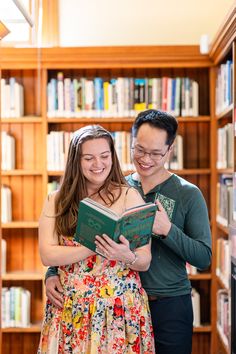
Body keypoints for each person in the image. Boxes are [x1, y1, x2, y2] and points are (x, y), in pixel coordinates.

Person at [45, 110, 212, 354]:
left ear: (170, 150)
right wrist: (51, 273)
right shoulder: (117, 187)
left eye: (155, 153)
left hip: (167, 304)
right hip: (119, 304)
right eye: (139, 150)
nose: (146, 159)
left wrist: (167, 230)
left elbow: (203, 257)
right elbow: (76, 236)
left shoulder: (188, 193)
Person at [37, 125, 155, 354]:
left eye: (104, 156)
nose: (98, 164)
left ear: (112, 157)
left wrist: (125, 255)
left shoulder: (129, 196)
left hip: (120, 310)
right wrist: (94, 246)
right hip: (72, 309)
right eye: (89, 158)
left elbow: (145, 260)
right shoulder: (56, 200)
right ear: (76, 161)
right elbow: (47, 254)